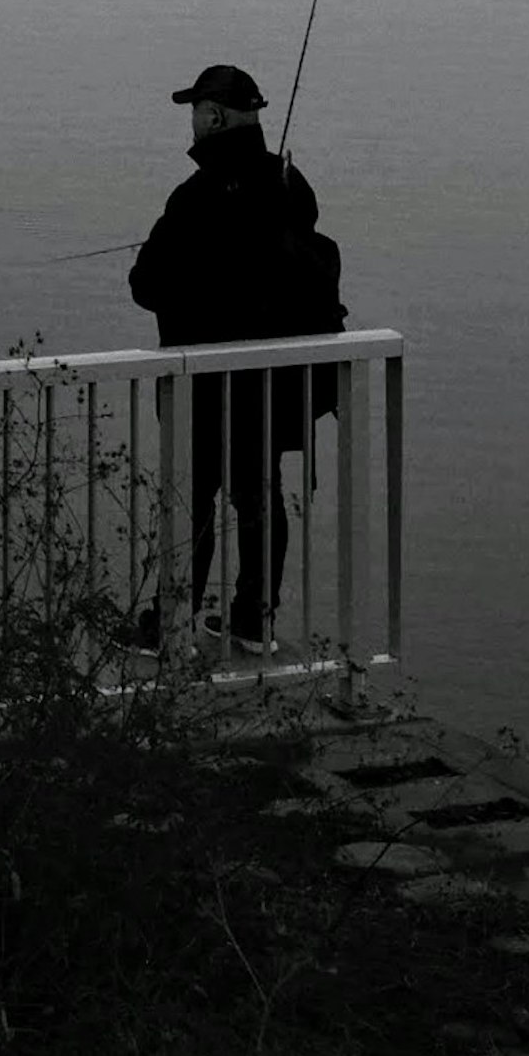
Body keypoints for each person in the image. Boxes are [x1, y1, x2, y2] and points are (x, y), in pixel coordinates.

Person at [126, 61, 345, 645]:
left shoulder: (194, 198)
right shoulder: (290, 184)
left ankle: (173, 621)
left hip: (201, 381)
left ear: (215, 115)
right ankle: (254, 619)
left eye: (196, 112)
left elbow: (144, 284)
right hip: (270, 383)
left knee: (190, 500)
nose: (192, 123)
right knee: (259, 495)